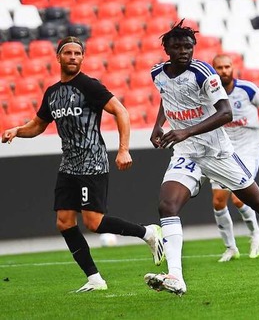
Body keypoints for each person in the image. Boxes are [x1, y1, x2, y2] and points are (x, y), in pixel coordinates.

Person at [143, 20, 259, 296]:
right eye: (177, 46)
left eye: (188, 46)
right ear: (166, 48)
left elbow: (226, 113)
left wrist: (185, 131)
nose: (183, 51)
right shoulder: (158, 73)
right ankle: (176, 276)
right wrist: (159, 125)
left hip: (217, 152)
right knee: (167, 206)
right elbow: (167, 98)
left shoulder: (204, 73)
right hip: (186, 153)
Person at [1, 36, 165, 293]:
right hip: (68, 166)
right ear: (58, 57)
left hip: (92, 162)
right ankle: (94, 279)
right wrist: (17, 130)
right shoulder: (52, 93)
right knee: (64, 222)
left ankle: (148, 233)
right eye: (68, 53)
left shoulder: (89, 86)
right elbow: (38, 126)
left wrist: (123, 150)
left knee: (93, 223)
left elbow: (121, 111)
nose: (74, 57)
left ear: (82, 58)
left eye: (78, 53)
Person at [209, 54, 259, 262]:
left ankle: (255, 232)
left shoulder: (247, 89)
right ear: (214, 70)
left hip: (248, 149)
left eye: (227, 66)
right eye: (219, 67)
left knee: (239, 197)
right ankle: (231, 248)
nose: (224, 70)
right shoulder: (210, 94)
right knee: (218, 201)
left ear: (233, 68)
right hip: (223, 151)